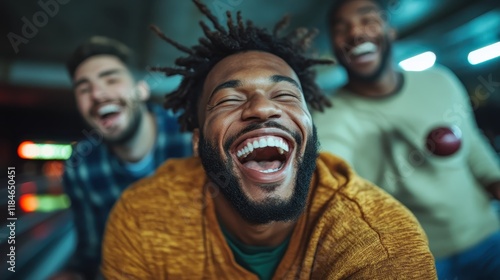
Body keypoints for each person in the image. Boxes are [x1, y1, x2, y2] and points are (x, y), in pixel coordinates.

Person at [101, 0, 436, 279]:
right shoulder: (141, 218)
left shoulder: (381, 240)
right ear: (196, 143)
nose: (262, 107)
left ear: (310, 128)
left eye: (285, 95)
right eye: (229, 99)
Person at [314, 0, 500, 278]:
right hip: (419, 259)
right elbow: (332, 189)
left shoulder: (440, 81)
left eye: (367, 21)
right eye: (342, 28)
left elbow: (473, 148)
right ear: (333, 44)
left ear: (390, 31)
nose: (355, 33)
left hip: (489, 236)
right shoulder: (326, 116)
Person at [53, 36, 192, 280]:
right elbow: (92, 254)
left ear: (141, 90)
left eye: (111, 78)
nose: (97, 94)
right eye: (84, 89)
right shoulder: (81, 168)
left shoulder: (192, 134)